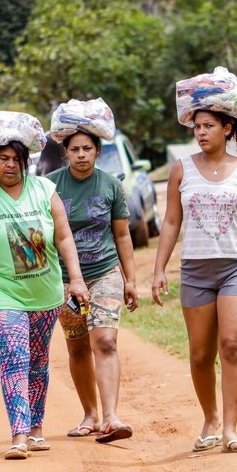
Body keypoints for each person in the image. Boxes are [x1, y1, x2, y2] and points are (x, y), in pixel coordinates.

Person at [154, 68, 237, 453]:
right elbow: (172, 220)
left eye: (209, 125)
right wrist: (159, 269)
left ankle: (230, 429)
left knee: (232, 345)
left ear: (228, 128)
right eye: (197, 127)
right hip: (195, 270)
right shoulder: (181, 169)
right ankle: (209, 418)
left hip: (236, 267)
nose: (202, 132)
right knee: (200, 354)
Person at [0, 112, 89, 460]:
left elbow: (63, 236)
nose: (10, 165)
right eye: (3, 159)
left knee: (38, 360)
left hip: (44, 292)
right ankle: (18, 434)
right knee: (15, 355)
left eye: (16, 159)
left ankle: (36, 429)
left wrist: (75, 279)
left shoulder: (44, 190)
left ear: (25, 160)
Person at [46, 99, 138, 443]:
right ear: (66, 152)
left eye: (87, 148)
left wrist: (131, 281)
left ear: (98, 151)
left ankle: (112, 416)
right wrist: (62, 281)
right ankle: (89, 414)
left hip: (105, 272)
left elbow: (122, 235)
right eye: (75, 149)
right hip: (65, 280)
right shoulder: (49, 186)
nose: (81, 154)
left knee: (106, 340)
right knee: (77, 347)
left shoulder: (112, 186)